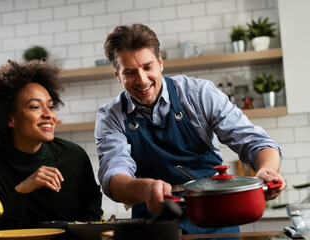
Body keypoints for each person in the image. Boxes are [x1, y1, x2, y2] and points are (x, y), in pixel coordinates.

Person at [95, 23, 287, 234]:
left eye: (147, 67)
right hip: (155, 226)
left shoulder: (199, 94)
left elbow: (256, 142)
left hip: (216, 216)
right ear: (117, 75)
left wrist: (266, 170)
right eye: (130, 72)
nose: (142, 80)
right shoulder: (111, 116)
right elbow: (114, 177)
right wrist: (146, 189)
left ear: (160, 63)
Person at [0, 60, 103, 230]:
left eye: (50, 106)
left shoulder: (74, 155)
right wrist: (22, 189)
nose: (49, 115)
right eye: (35, 107)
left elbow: (92, 204)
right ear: (9, 118)